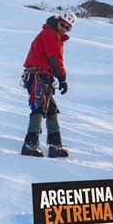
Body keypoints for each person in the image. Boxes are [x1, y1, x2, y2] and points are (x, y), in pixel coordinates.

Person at [20, 11, 77, 158]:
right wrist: (62, 78)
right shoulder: (50, 34)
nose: (64, 28)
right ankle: (30, 144)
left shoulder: (53, 34)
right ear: (57, 21)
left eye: (68, 28)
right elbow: (54, 58)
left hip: (42, 76)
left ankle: (55, 146)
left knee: (51, 109)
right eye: (62, 25)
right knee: (39, 107)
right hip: (38, 76)